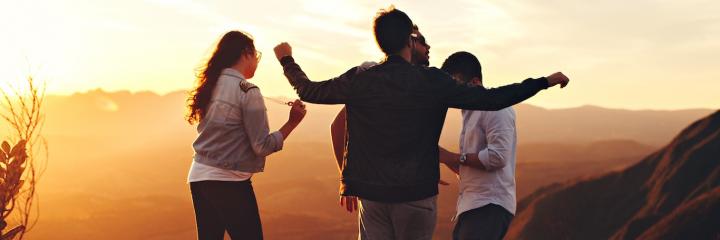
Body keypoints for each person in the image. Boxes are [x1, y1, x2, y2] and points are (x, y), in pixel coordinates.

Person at [274, 6, 569, 240]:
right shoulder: (432, 81)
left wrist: (287, 60)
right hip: (416, 195)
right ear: (409, 40)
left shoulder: (361, 79)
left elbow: (309, 90)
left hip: (372, 197)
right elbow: (493, 99)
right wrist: (543, 81)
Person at [186, 30, 307, 240]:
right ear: (245, 54)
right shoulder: (248, 91)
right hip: (229, 180)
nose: (257, 61)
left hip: (199, 176)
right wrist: (292, 122)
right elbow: (262, 146)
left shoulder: (211, 84)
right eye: (256, 55)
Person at [332, 24, 432, 213]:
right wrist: (346, 178)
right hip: (377, 194)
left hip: (398, 192)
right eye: (422, 41)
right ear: (408, 43)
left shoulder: (417, 83)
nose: (428, 47)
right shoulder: (373, 77)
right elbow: (338, 127)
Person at [438, 51, 517, 240]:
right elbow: (472, 168)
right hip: (472, 206)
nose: (452, 93)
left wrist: (454, 157)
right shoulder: (469, 114)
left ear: (474, 82)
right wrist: (442, 157)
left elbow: (497, 157)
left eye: (456, 85)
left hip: (489, 205)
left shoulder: (497, 109)